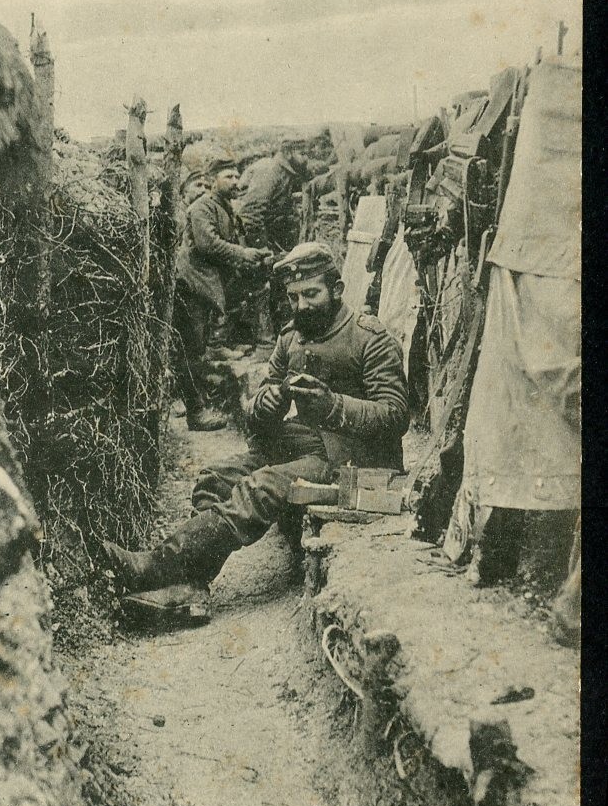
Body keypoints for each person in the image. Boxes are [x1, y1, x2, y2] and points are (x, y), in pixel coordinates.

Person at [102, 241, 410, 625]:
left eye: (311, 294)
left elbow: (396, 414)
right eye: (294, 297)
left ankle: (155, 567)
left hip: (350, 461)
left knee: (261, 486)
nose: (302, 306)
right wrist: (266, 405)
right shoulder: (290, 338)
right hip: (301, 446)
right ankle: (190, 588)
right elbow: (262, 400)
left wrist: (333, 406)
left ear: (337, 288)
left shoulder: (369, 338)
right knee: (214, 479)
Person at [172, 154, 270, 430]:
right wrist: (242, 254)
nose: (235, 181)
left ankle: (198, 406)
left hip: (208, 284)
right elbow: (208, 245)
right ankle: (196, 413)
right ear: (213, 181)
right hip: (193, 286)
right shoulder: (203, 207)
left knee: (198, 347)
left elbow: (233, 241)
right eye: (228, 176)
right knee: (191, 349)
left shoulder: (225, 207)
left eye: (237, 176)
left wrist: (254, 254)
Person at [236, 138, 312, 333]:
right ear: (288, 152)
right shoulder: (270, 170)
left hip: (270, 242)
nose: (306, 159)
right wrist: (262, 249)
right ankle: (263, 342)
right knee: (260, 290)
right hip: (250, 244)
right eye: (302, 154)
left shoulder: (284, 172)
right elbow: (251, 214)